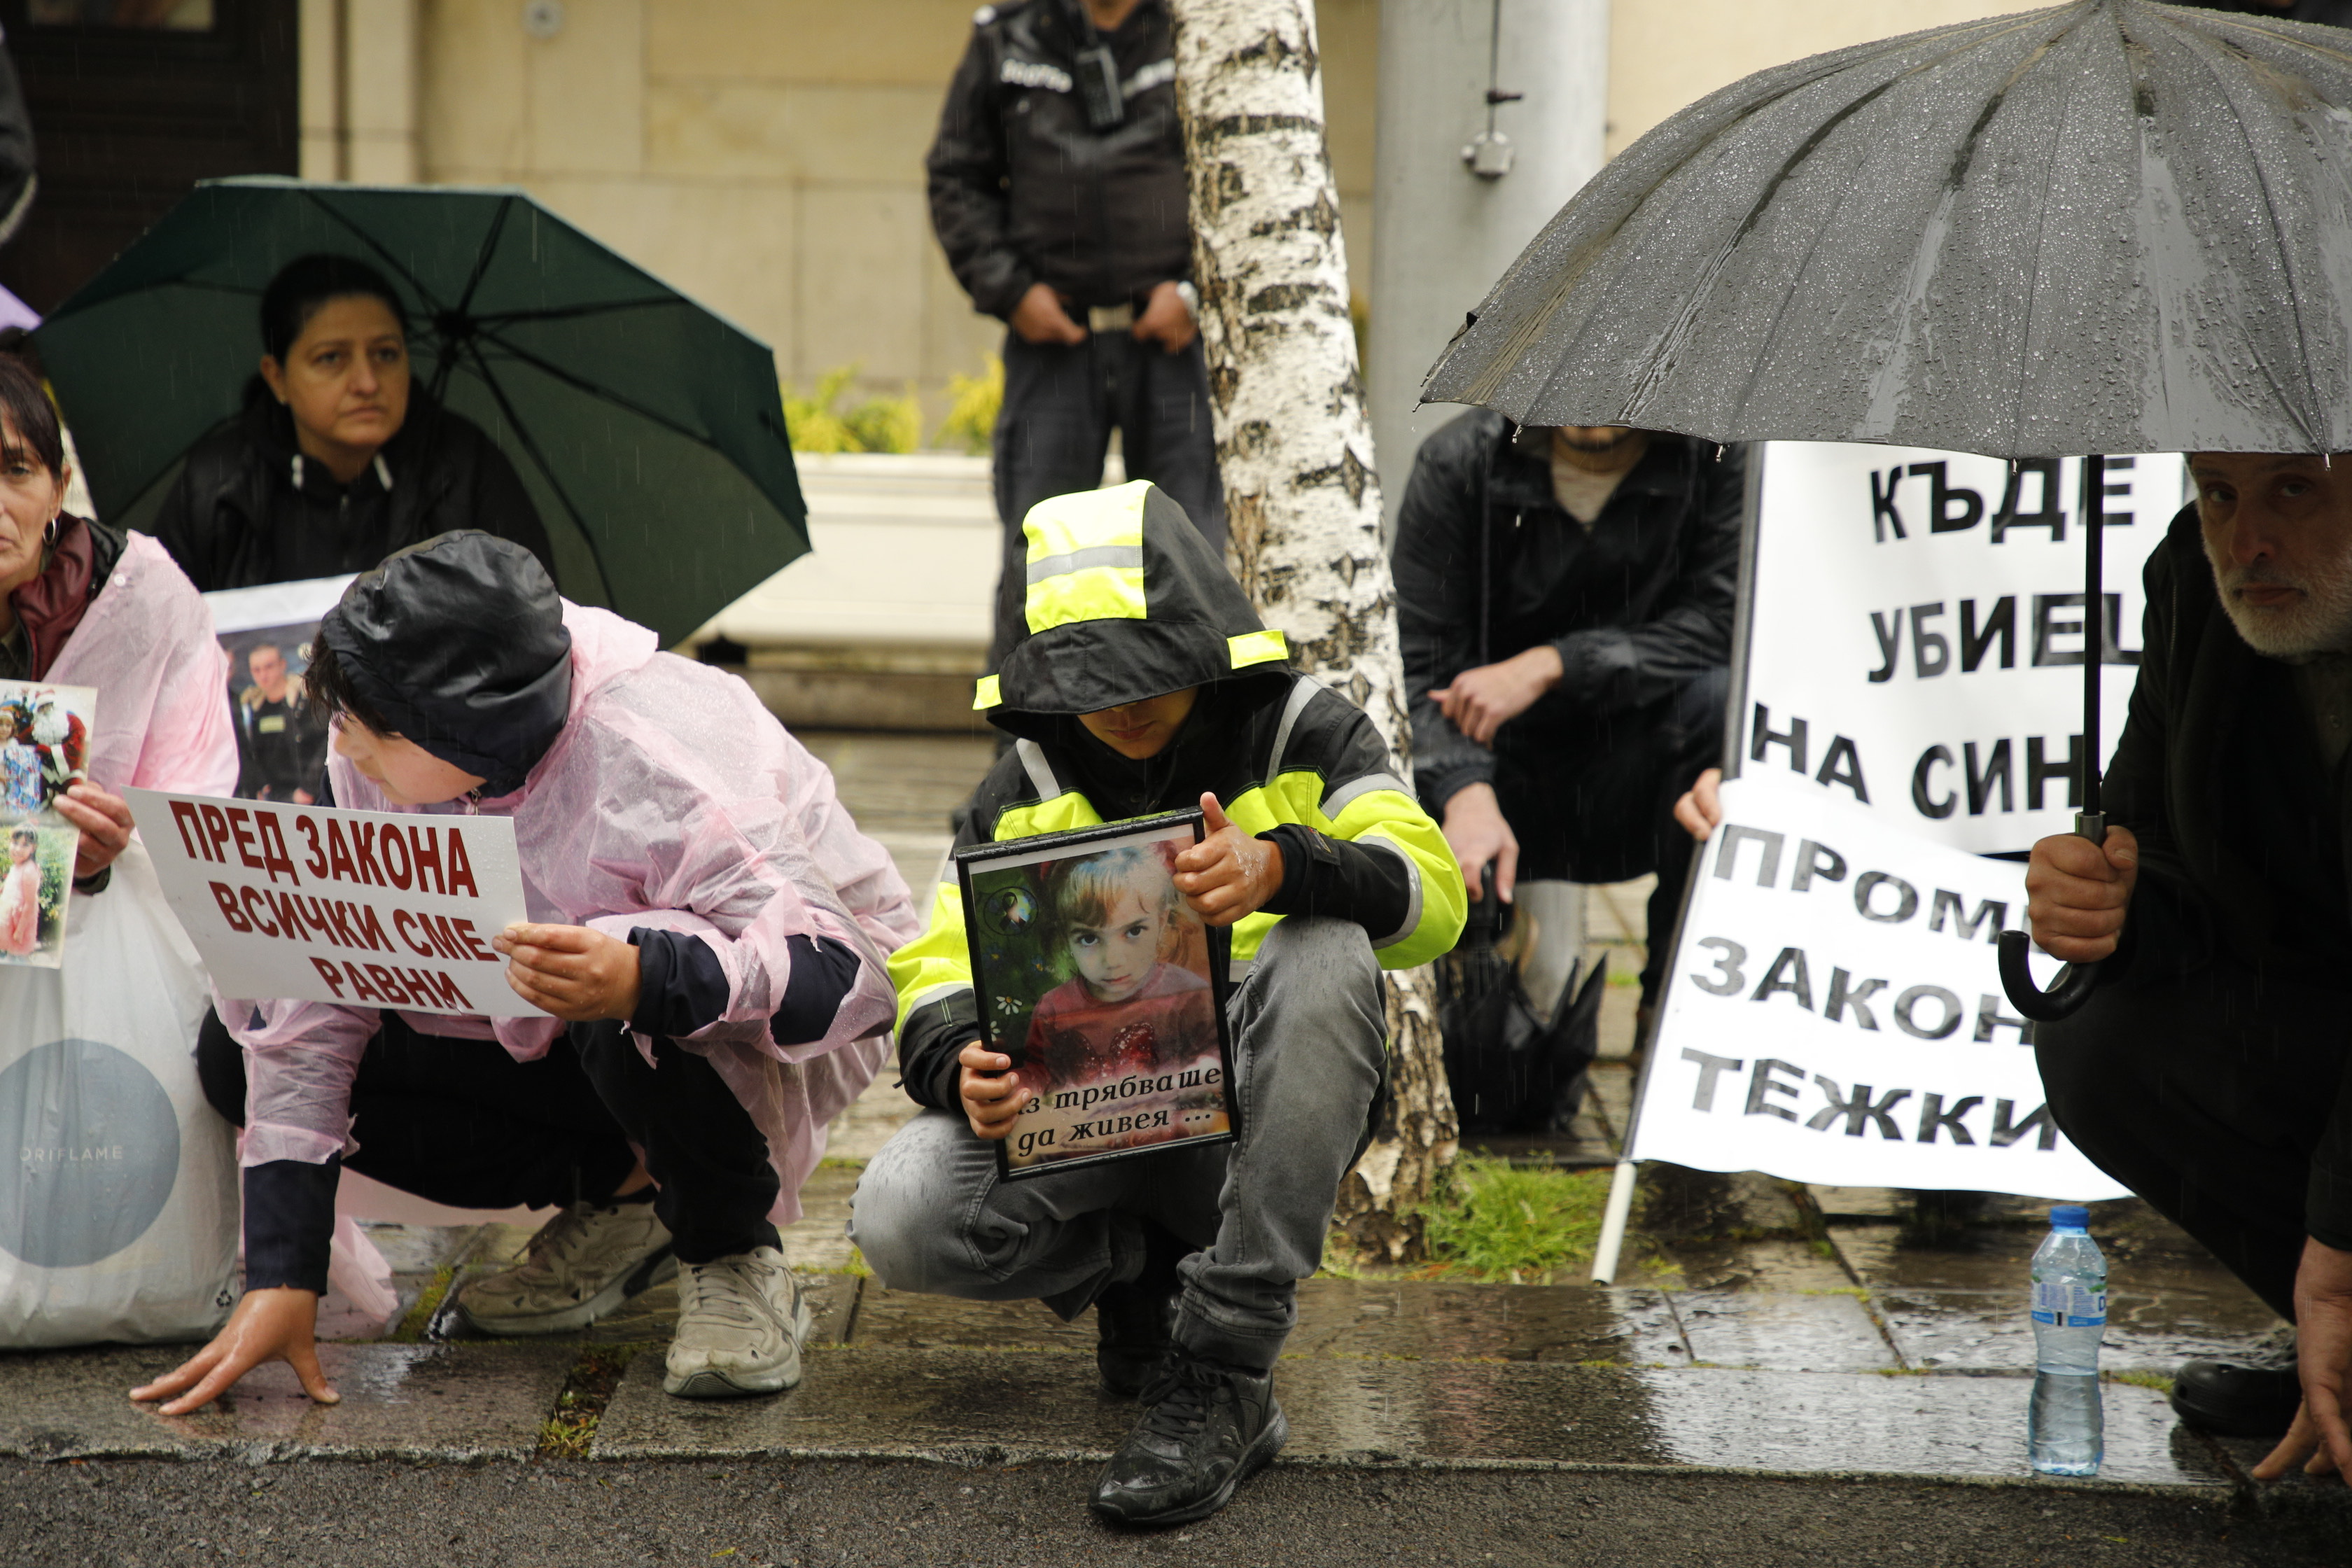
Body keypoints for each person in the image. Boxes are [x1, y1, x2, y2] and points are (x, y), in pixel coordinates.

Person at [136, 532, 919, 1415]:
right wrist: (285, 1272)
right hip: (540, 1008)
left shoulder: (662, 752)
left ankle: (730, 1248)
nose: (342, 746)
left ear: (460, 729)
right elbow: (320, 993)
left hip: (766, 1036)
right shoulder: (385, 736)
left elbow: (850, 980)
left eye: (366, 725)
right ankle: (627, 1197)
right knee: (234, 1045)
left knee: (618, 949)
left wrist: (642, 976)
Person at [850, 480, 1464, 1526]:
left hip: (1262, 1124)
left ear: (1201, 644)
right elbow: (937, 958)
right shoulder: (1028, 773)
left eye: (1151, 674)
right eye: (1095, 681)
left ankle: (1225, 1363)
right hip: (1087, 1124)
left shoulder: (1299, 730)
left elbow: (1433, 894)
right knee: (901, 1215)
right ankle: (1143, 1278)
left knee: (1327, 953)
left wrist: (1283, 869)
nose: (1126, 707)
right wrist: (960, 1057)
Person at [2010, 451, 2352, 1489]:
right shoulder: (2196, 590)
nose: (2246, 540)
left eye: (2294, 490)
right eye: (2218, 494)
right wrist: (2108, 898)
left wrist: (2338, 1250)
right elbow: (2157, 840)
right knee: (2105, 1042)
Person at [1391, 414, 1741, 1015]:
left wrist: (1552, 665)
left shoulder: (1715, 457)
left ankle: (1677, 1020)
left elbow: (1723, 625)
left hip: (1639, 767)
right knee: (1386, 786)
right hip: (1494, 768)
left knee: (1721, 710)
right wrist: (1462, 788)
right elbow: (1416, 665)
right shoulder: (1459, 462)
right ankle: (1461, 1019)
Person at [927, 0, 1226, 675]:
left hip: (1173, 348)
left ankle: (1199, 752)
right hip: (1053, 346)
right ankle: (1025, 762)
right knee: (1038, 555)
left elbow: (1242, 176)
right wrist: (1012, 290)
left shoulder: (1200, 28)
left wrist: (1193, 293)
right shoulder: (1007, 36)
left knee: (1191, 556)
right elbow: (956, 175)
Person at [150, 253, 555, 592]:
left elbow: (529, 631)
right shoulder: (217, 486)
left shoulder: (466, 471)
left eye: (386, 354)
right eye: (331, 358)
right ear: (277, 377)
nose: (367, 383)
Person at [0, 353, 234, 904]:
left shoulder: (142, 605)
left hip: (97, 968)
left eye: (16, 470)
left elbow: (195, 824)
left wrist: (101, 859)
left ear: (60, 488)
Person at [1021, 845, 1217, 1091]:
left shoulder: (1187, 993)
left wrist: (1206, 1070)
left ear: (1161, 921)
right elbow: (1038, 1072)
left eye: (1134, 931)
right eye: (1089, 938)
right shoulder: (1053, 1009)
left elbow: (1217, 1049)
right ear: (1066, 937)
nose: (1113, 960)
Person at [232, 640, 327, 802]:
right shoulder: (252, 708)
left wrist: (309, 789)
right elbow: (249, 753)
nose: (263, 675)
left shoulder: (304, 701)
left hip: (308, 796)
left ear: (282, 665)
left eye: (269, 667)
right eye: (256, 670)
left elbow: (325, 745)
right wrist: (260, 785)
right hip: (275, 797)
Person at [0, 824, 36, 955]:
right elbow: (12, 885)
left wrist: (20, 931)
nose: (18, 849)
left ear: (33, 848)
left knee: (15, 956)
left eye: (25, 845)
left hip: (18, 927)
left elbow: (30, 904)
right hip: (7, 923)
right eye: (15, 843)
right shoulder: (17, 866)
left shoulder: (29, 870)